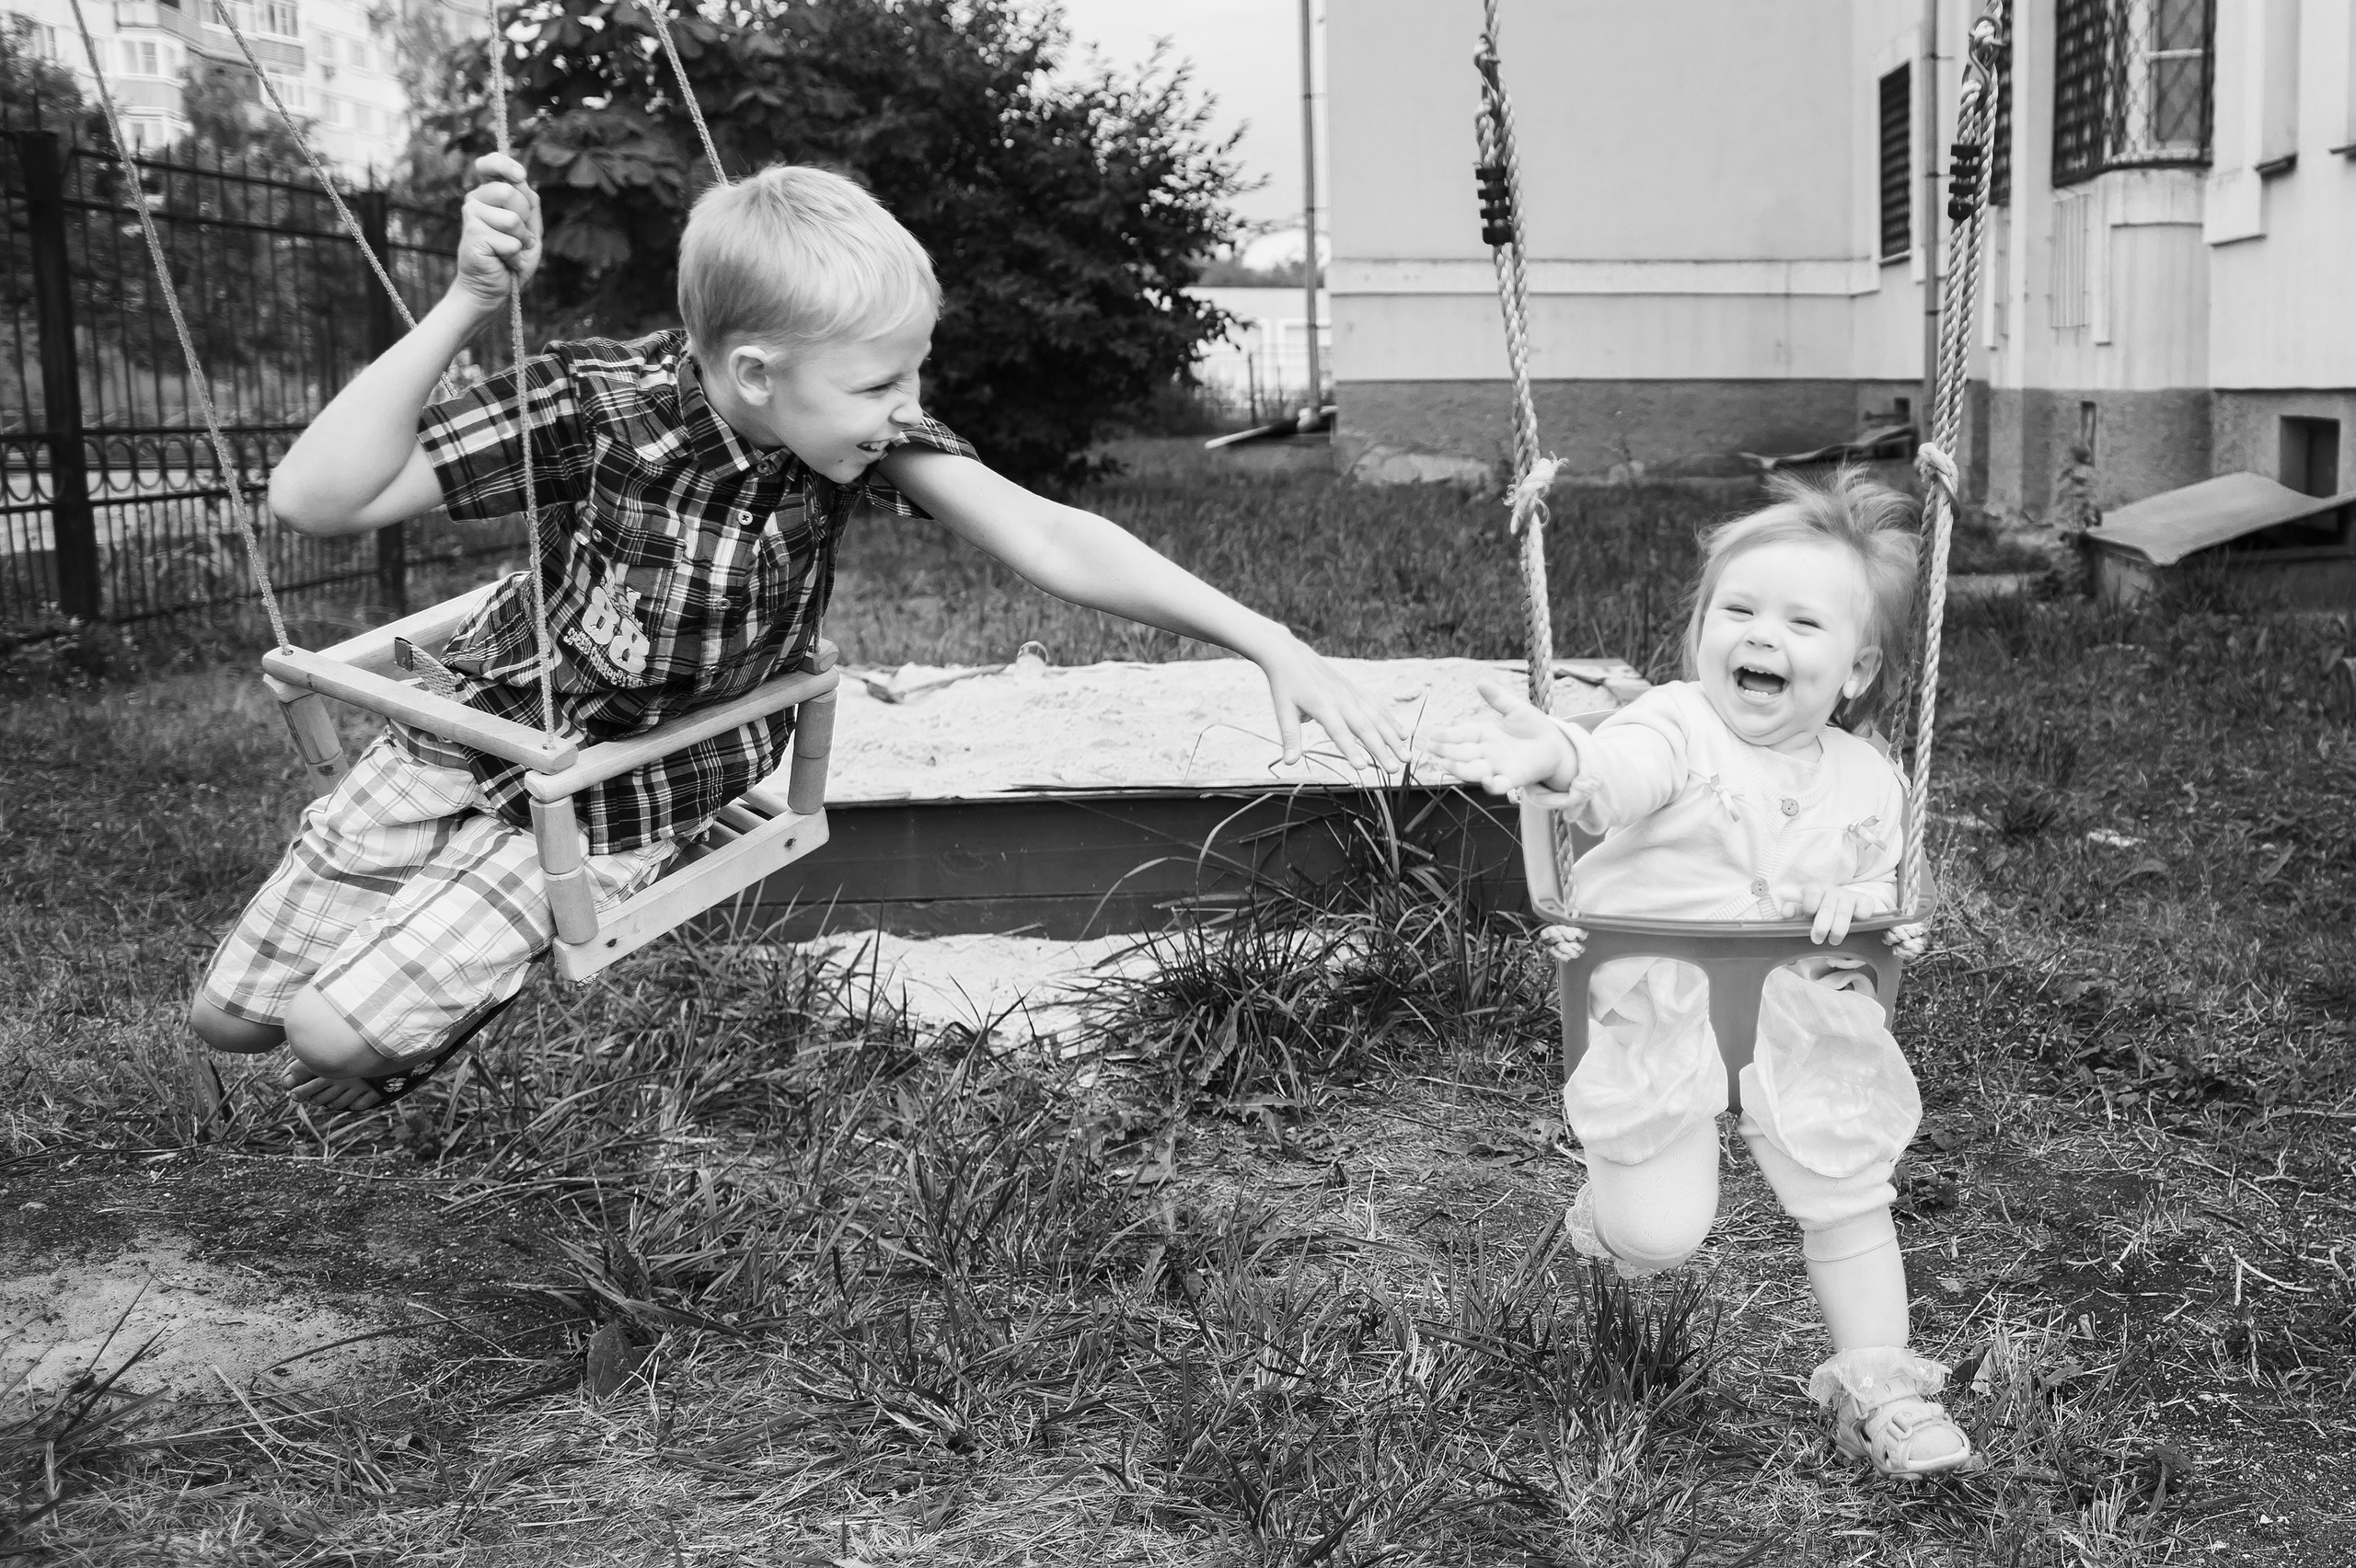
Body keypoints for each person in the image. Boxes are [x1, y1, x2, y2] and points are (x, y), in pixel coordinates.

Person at [189, 156, 1404, 1113]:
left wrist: (1263, 636)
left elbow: (1050, 537)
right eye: (882, 385)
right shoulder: (599, 410)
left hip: (614, 793)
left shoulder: (851, 439)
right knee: (229, 1021)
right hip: (474, 726)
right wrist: (468, 303)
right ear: (757, 371)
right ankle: (404, 968)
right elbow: (316, 499)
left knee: (327, 1034)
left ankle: (400, 1030)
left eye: (912, 376)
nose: (907, 411)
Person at [1430, 467, 1970, 1479]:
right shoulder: (1675, 726)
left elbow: (1882, 882)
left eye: (1801, 623)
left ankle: (1884, 1392)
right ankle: (1607, 1225)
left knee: (1849, 1196)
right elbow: (1608, 782)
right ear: (1699, 636)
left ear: (1853, 672)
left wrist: (1874, 910)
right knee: (1660, 1236)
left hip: (1803, 1017)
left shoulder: (1870, 778)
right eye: (1739, 610)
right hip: (1654, 1009)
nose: (1761, 635)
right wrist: (1560, 758)